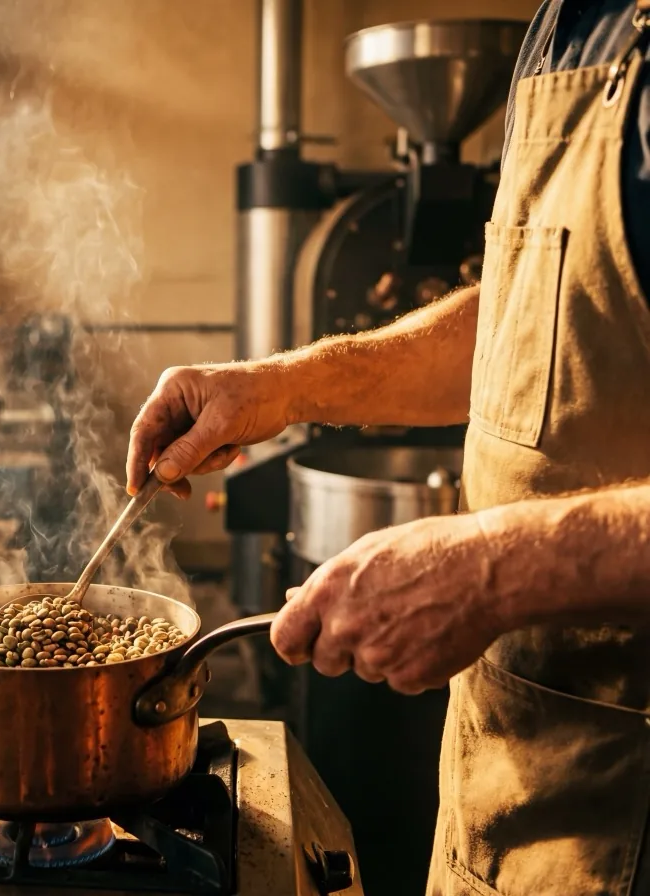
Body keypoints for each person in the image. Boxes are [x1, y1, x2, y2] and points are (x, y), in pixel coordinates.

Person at [125, 2, 650, 894]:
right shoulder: (568, 25)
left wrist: (495, 568)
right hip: (507, 780)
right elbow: (536, 310)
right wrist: (280, 387)